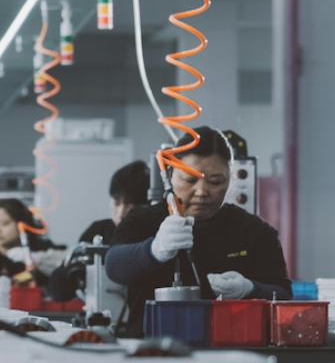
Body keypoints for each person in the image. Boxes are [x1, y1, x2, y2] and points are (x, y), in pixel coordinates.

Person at [105, 126, 292, 336]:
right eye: (189, 179)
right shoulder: (143, 220)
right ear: (170, 175)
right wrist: (154, 250)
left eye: (215, 182)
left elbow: (284, 295)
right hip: (151, 353)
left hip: (229, 353)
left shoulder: (253, 231)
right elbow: (113, 266)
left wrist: (250, 289)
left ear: (230, 179)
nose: (202, 192)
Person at [48, 160, 150, 301]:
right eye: (116, 202)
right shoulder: (98, 230)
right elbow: (59, 293)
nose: (121, 213)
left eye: (131, 207)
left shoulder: (152, 237)